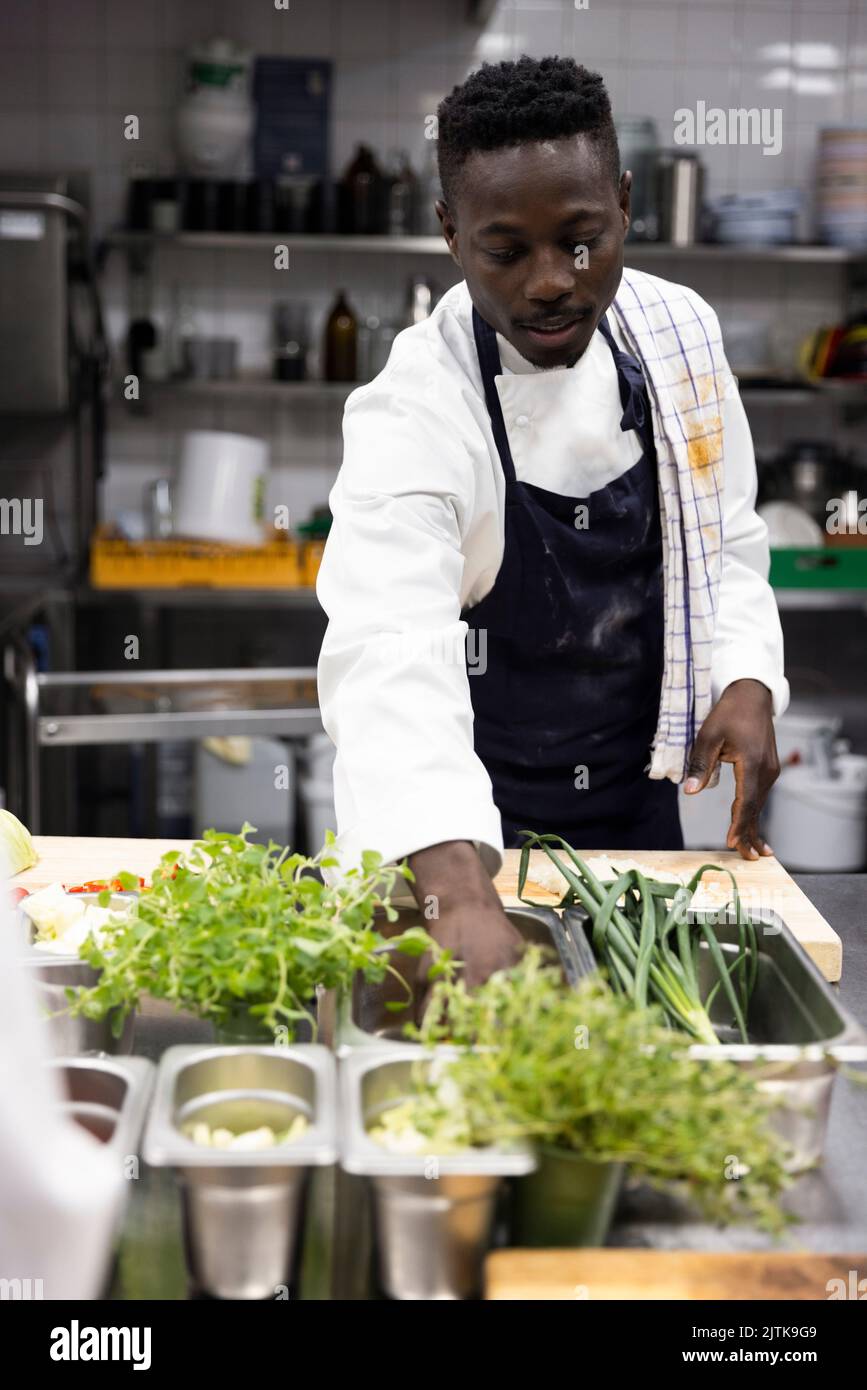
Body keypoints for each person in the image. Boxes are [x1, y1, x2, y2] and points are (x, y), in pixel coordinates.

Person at [317, 56, 787, 988]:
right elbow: (387, 649)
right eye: (504, 250)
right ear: (450, 235)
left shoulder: (679, 337)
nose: (548, 283)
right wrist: (455, 887)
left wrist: (745, 674)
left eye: (579, 240)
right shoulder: (416, 406)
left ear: (621, 205)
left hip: (639, 839)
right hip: (459, 836)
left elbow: (725, 537)